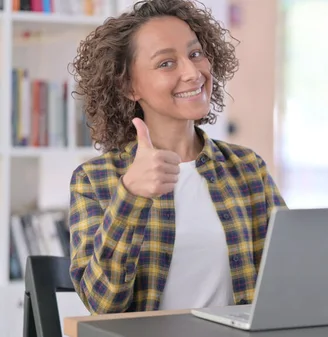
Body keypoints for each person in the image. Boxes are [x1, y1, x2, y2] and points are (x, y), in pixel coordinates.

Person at [67, 0, 286, 315]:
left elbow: (288, 279)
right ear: (128, 86)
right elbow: (102, 303)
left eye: (195, 54)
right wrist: (130, 196)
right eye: (166, 63)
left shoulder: (247, 168)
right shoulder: (95, 179)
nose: (192, 72)